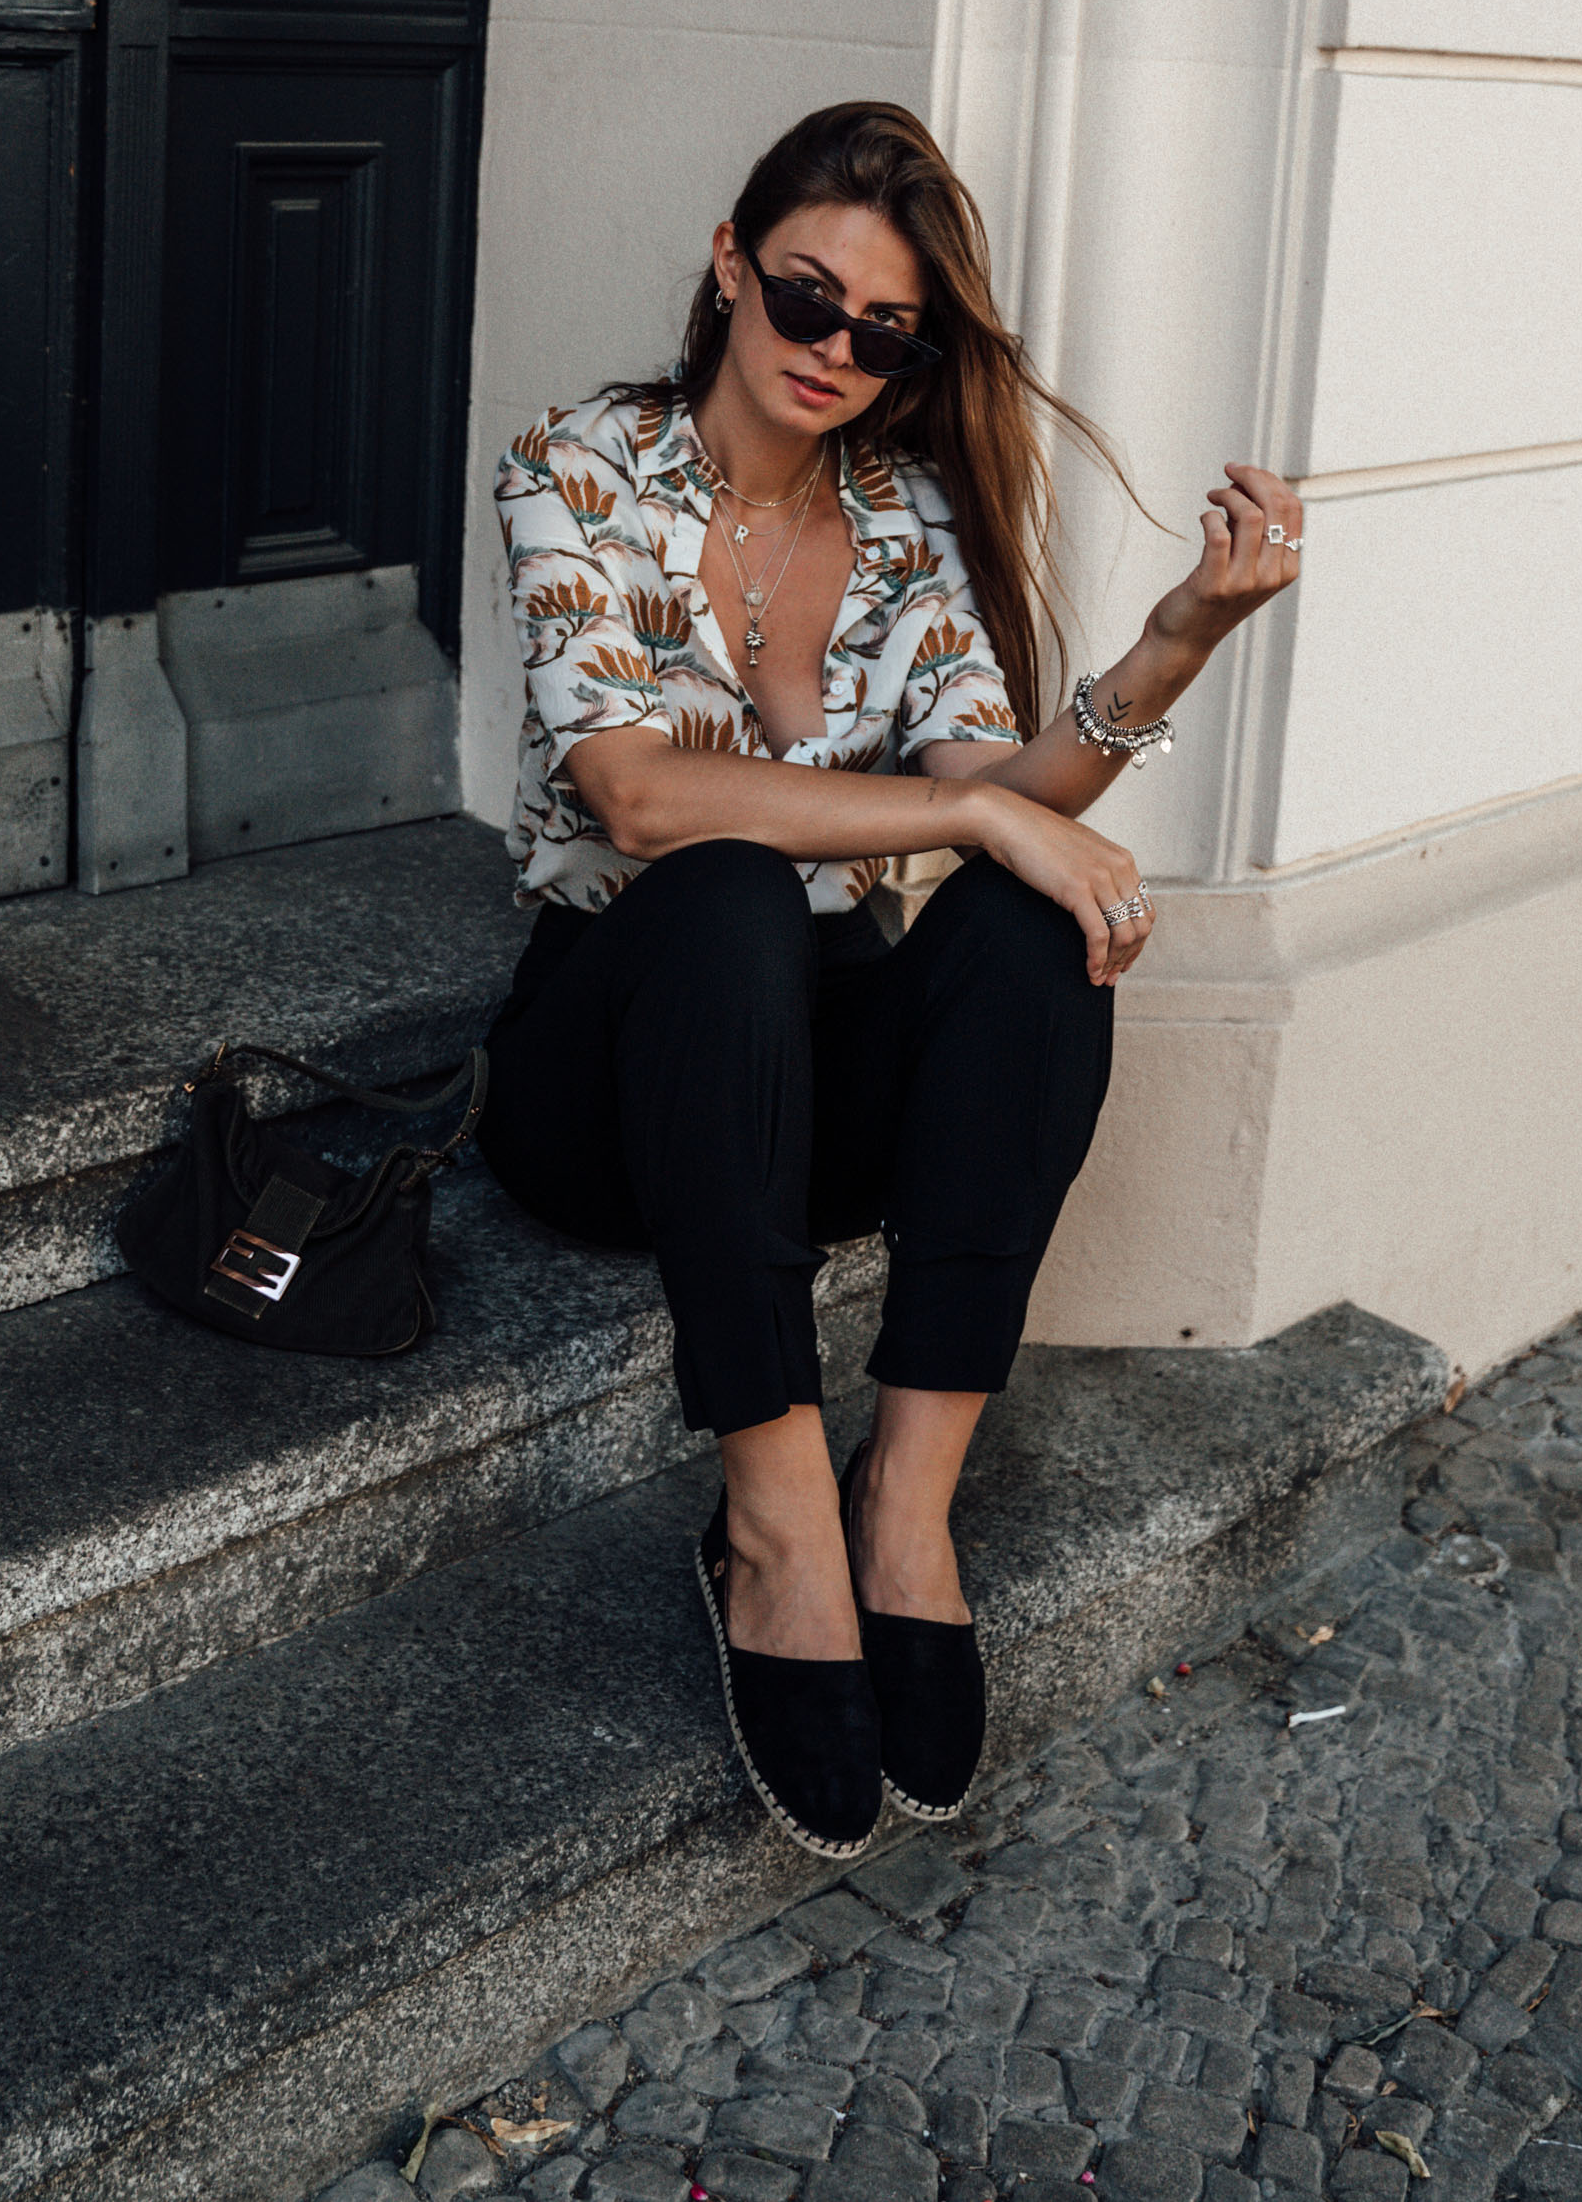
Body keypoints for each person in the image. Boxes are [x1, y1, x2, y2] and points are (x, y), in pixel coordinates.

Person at [478, 103, 1303, 1858]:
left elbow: (1004, 799)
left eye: (887, 331)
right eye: (804, 299)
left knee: (1023, 926)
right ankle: (775, 1518)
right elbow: (633, 787)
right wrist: (959, 820)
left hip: (807, 1081)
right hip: (612, 1072)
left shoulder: (906, 513)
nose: (838, 352)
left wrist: (1178, 641)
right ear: (728, 266)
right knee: (722, 893)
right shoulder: (576, 470)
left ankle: (904, 1502)